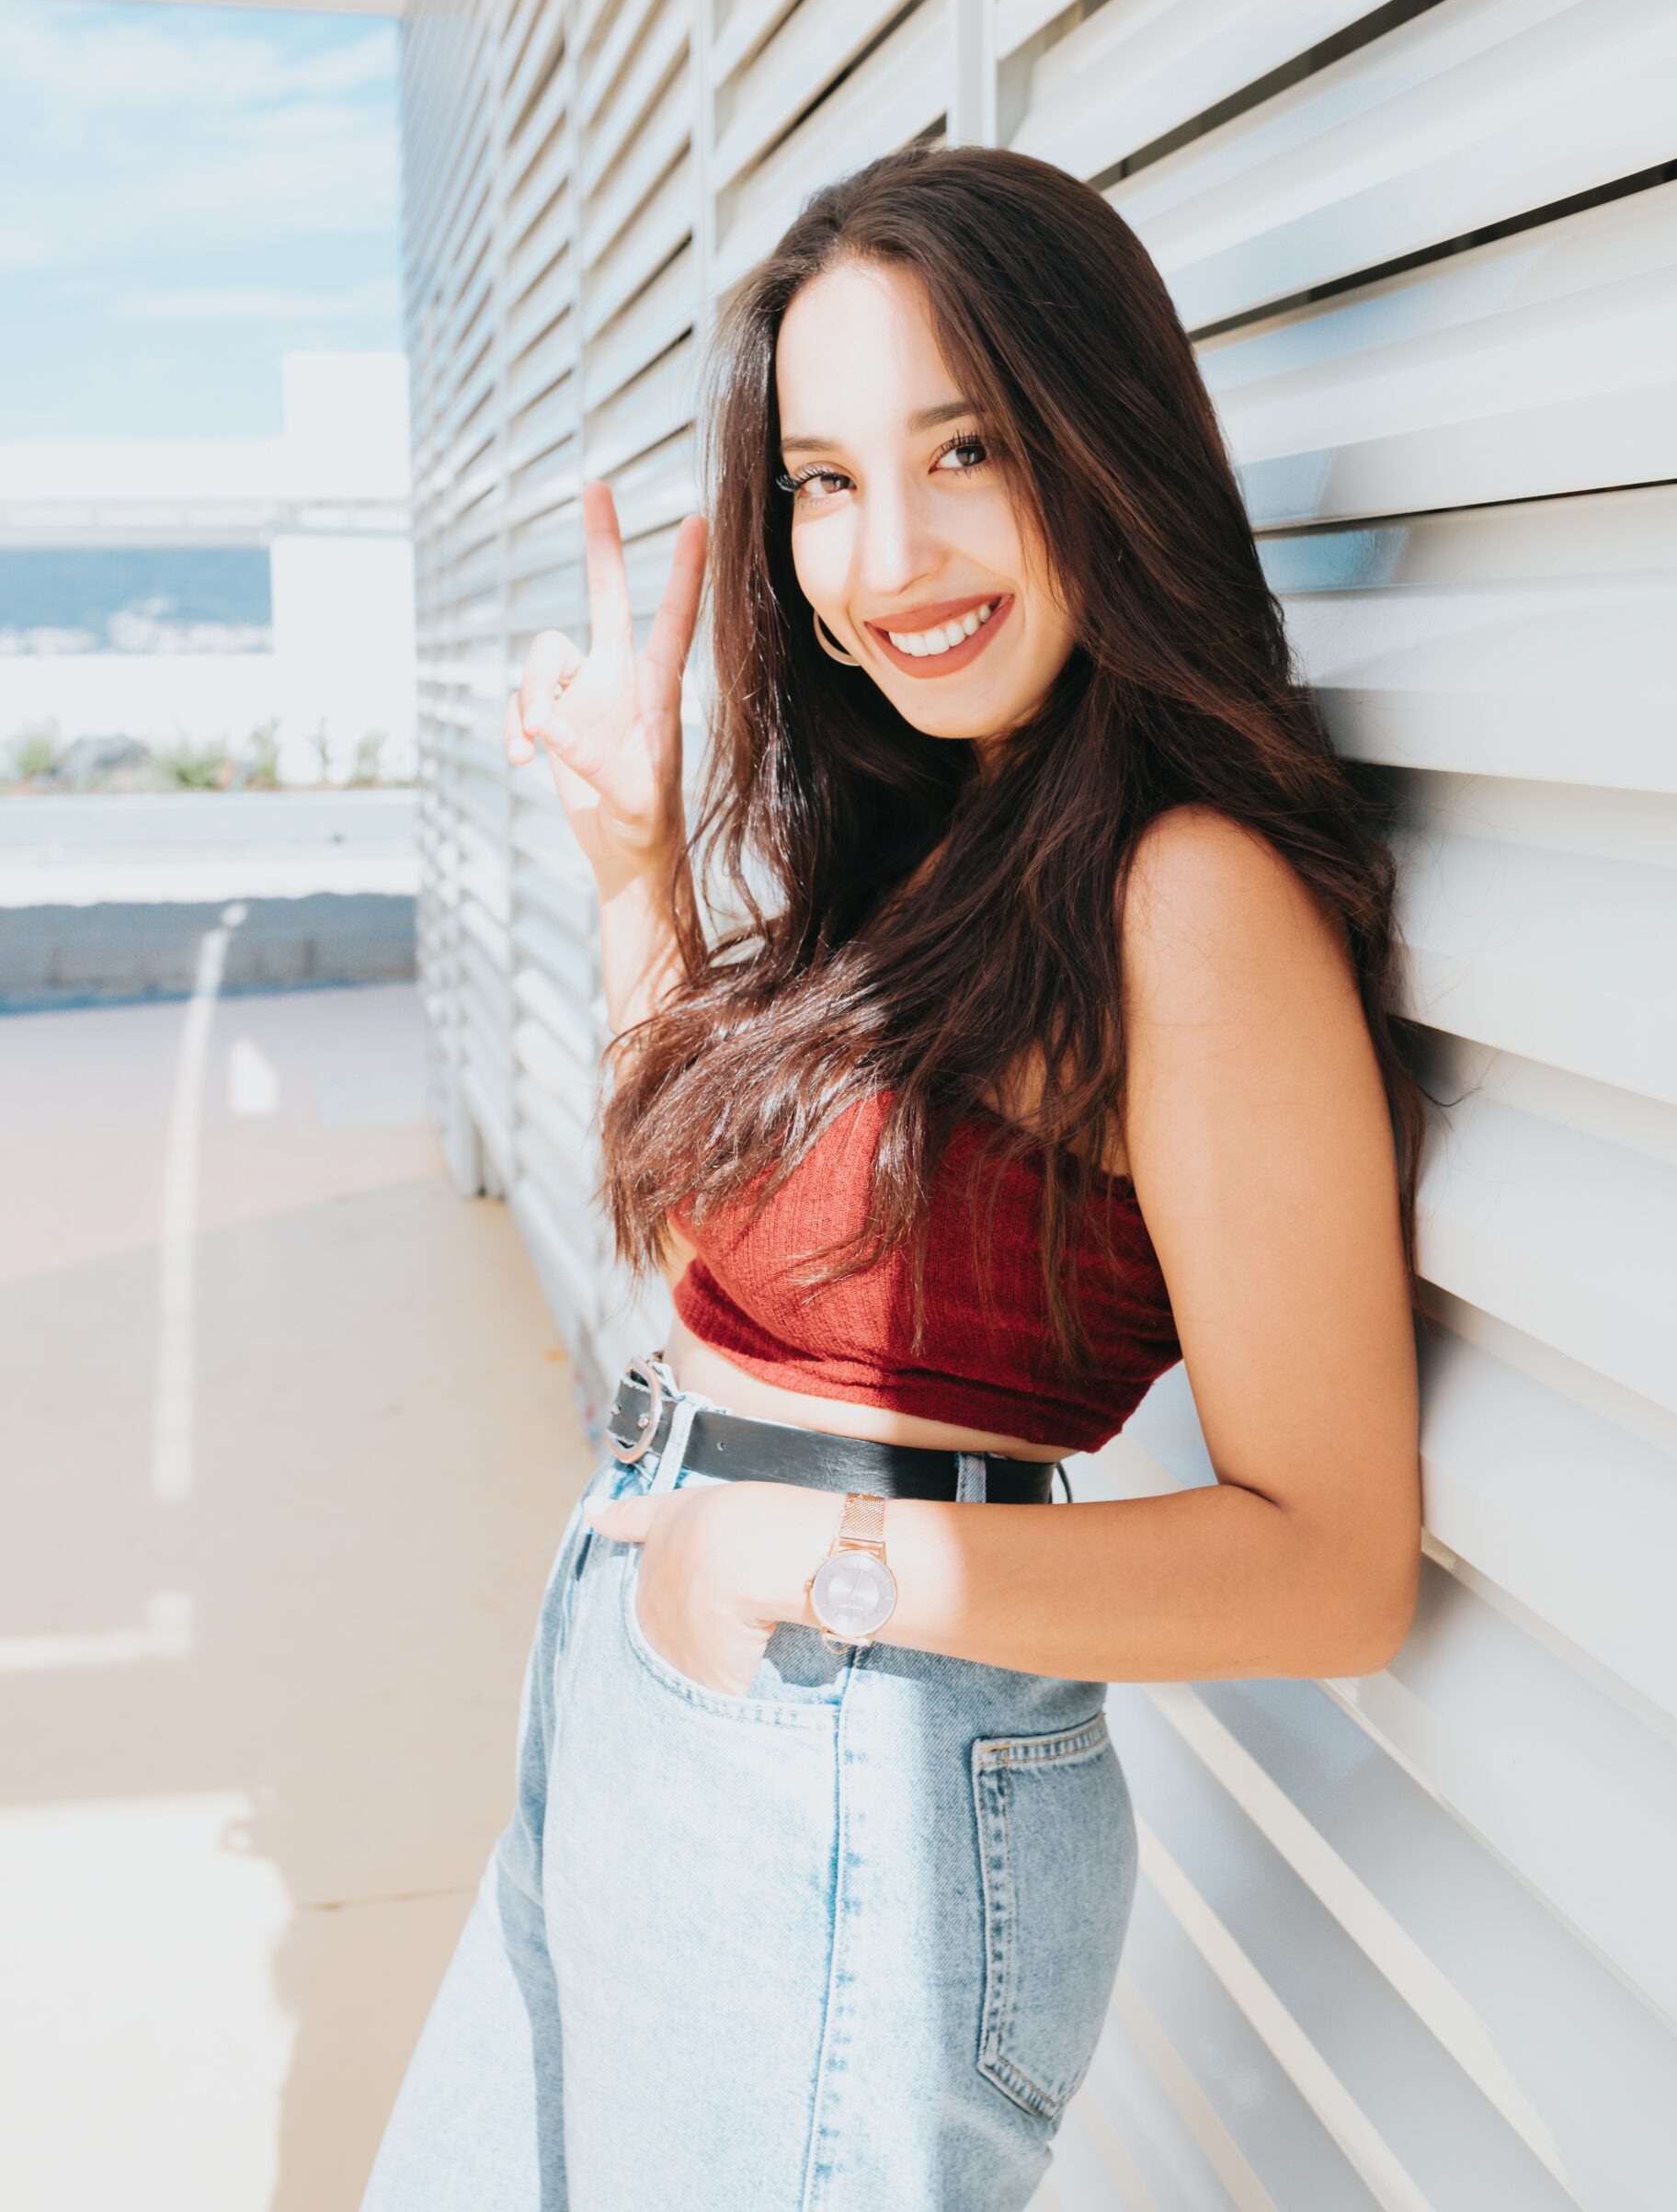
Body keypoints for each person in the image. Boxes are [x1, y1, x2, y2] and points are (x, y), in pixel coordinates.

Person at [360, 142, 1423, 2212]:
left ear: (1102, 446)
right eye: (825, 480)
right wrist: (634, 865)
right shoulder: (943, 842)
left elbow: (1336, 1560)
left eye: (965, 450)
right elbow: (714, 1259)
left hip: (842, 1728)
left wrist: (805, 1571)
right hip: (666, 1652)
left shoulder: (1185, 896)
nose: (889, 552)